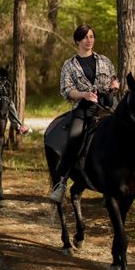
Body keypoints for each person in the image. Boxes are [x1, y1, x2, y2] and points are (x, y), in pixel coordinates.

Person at [50, 23, 120, 203]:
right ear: (77, 41)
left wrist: (115, 86)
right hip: (84, 108)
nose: (89, 40)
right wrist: (83, 94)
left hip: (108, 106)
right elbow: (66, 90)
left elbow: (114, 80)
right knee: (74, 138)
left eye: (91, 36)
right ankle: (62, 182)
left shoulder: (105, 60)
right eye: (84, 37)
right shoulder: (69, 65)